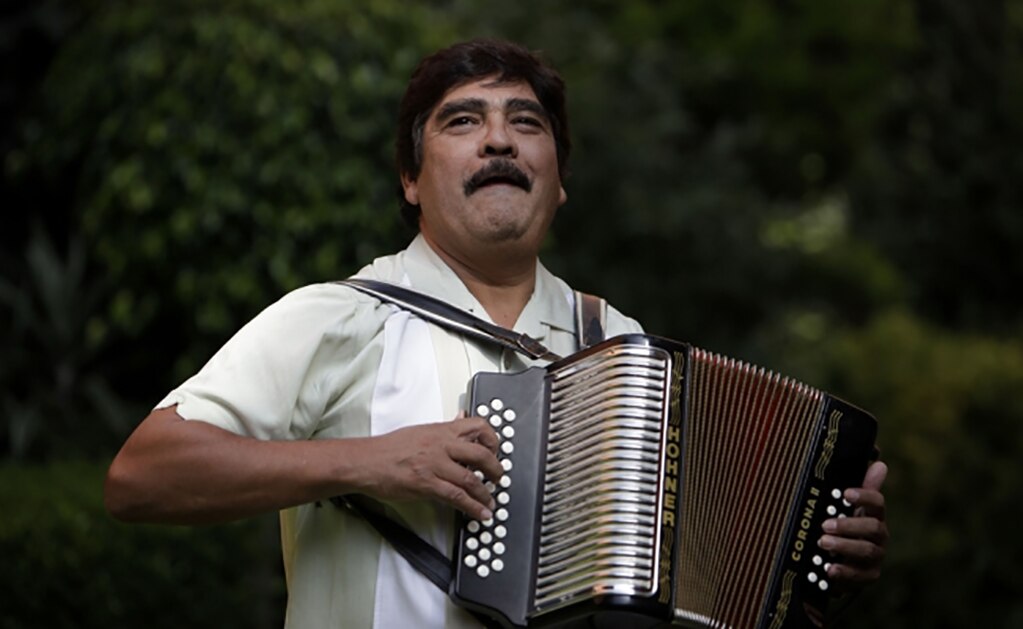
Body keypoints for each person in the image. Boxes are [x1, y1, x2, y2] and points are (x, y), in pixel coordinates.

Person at [105, 39, 888, 628]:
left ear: (559, 177)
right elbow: (141, 476)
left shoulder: (619, 346)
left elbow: (685, 576)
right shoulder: (340, 317)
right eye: (462, 121)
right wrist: (368, 459)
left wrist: (807, 557)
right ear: (410, 181)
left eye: (526, 122)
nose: (499, 140)